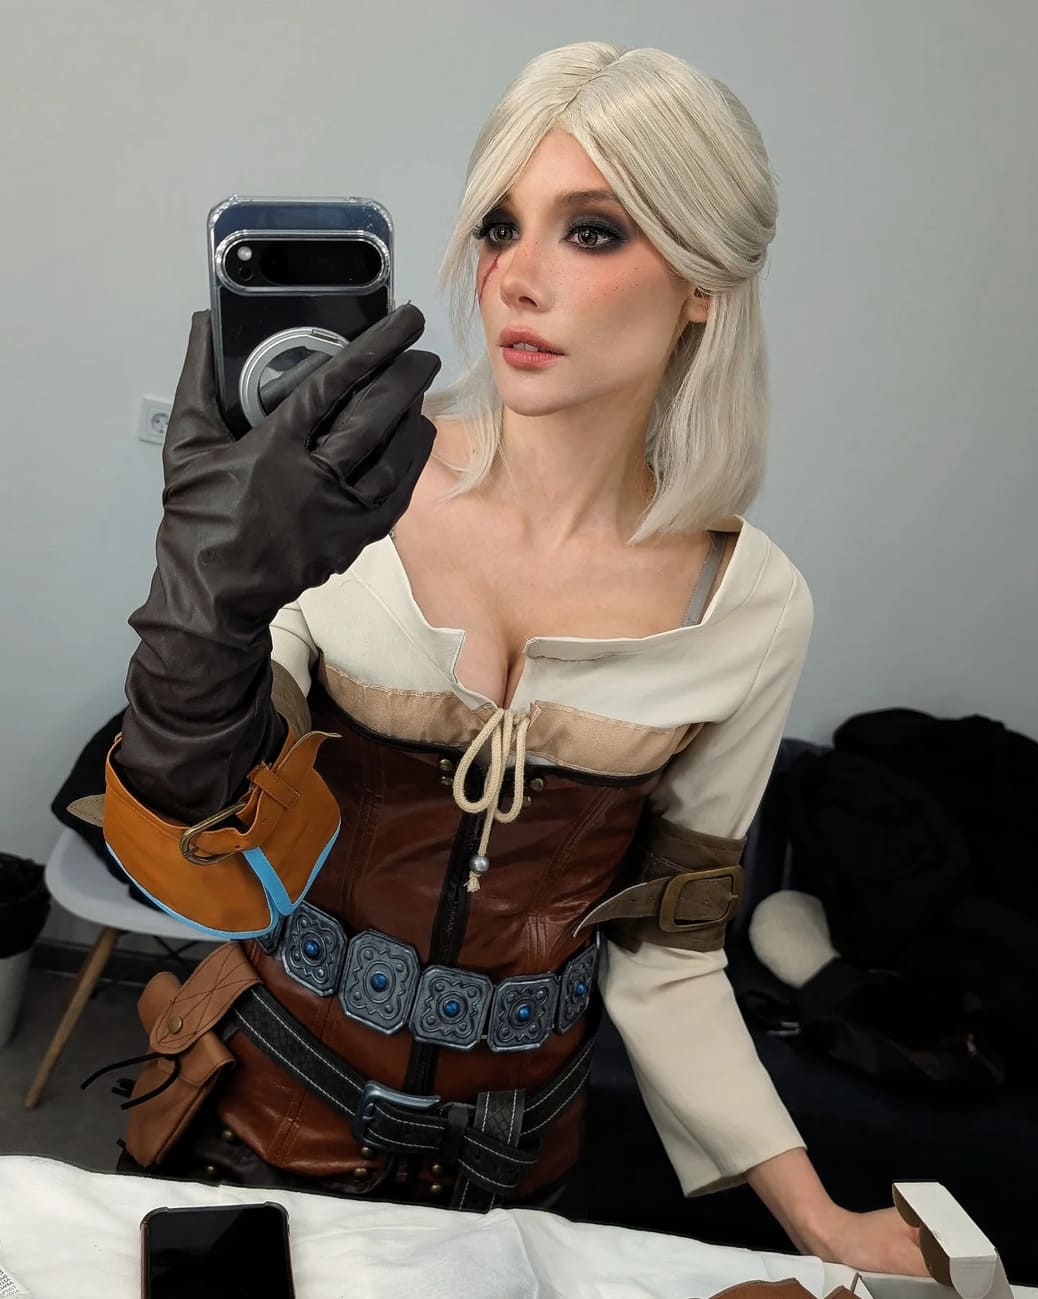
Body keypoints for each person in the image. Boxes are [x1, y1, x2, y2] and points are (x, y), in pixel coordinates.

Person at [91, 41, 927, 1276]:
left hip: (513, 1168)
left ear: (703, 281)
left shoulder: (752, 608)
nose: (515, 279)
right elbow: (199, 846)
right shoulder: (340, 498)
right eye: (497, 226)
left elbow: (670, 961)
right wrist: (203, 602)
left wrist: (819, 1220)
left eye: (590, 232)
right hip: (253, 1118)